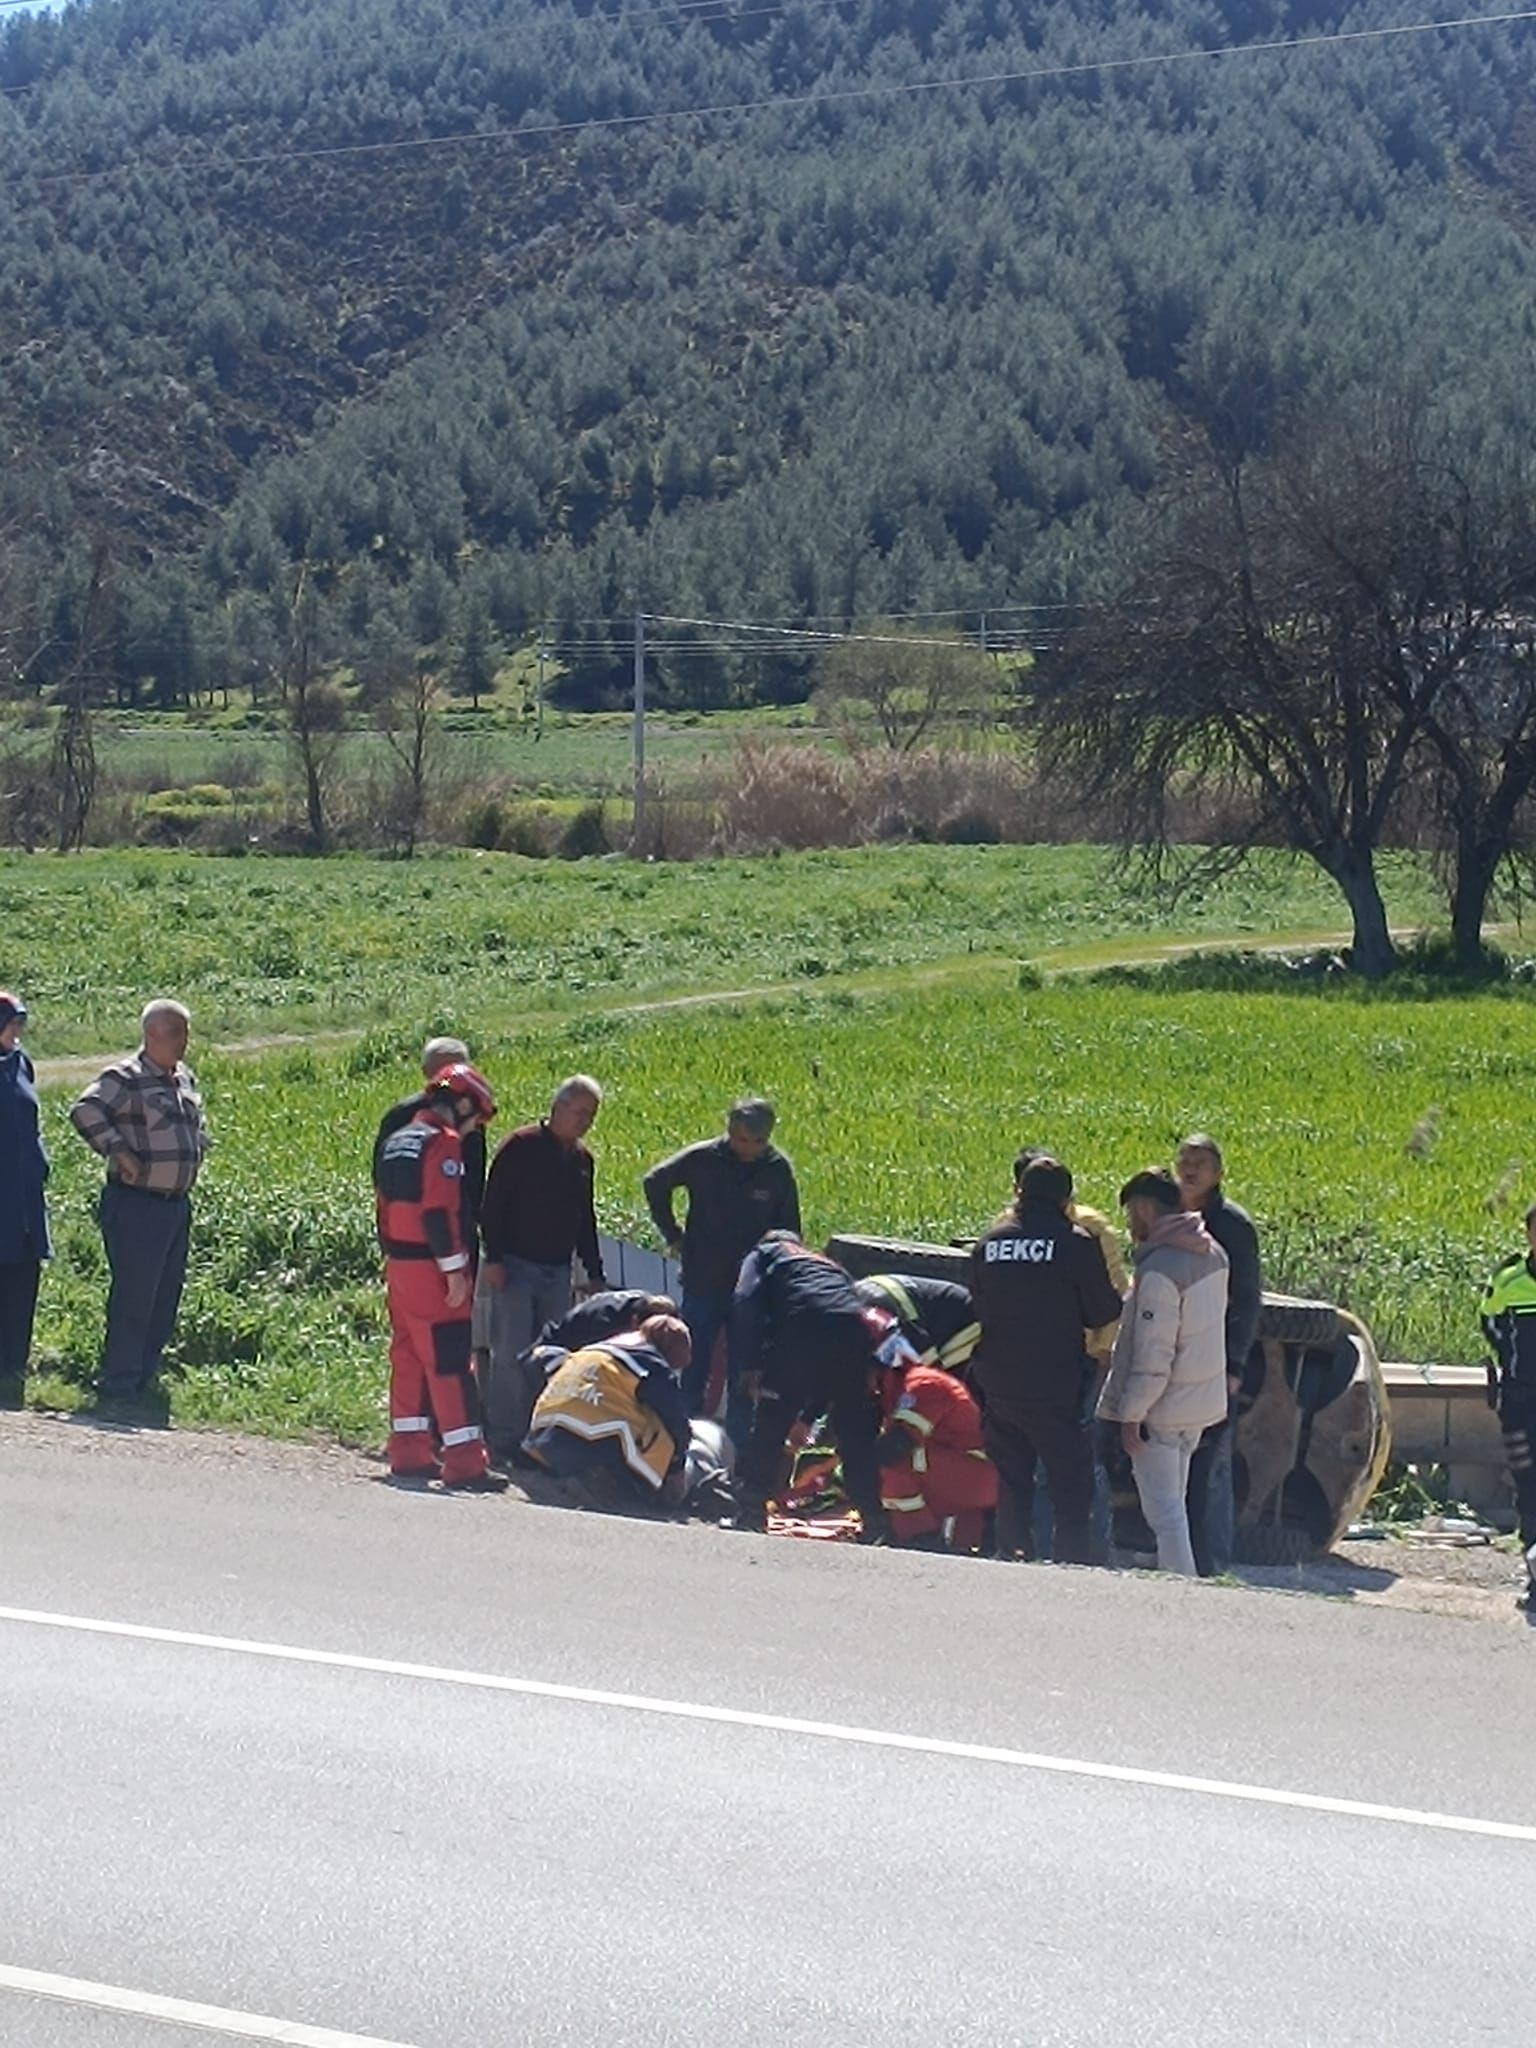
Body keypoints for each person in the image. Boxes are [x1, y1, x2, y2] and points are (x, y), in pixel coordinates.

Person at [968, 1155, 1125, 1564]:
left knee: (1012, 1479)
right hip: (1055, 1385)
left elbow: (979, 1306)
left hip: (999, 1383)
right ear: (1066, 1199)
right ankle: (1068, 1566)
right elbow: (1103, 1311)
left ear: (1020, 1192)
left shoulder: (990, 1243)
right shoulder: (1076, 1242)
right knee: (1070, 1486)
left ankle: (1012, 1554)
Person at [70, 999, 210, 1419]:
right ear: (152, 1035)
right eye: (177, 1034)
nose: (184, 1043)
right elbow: (85, 1109)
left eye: (185, 1034)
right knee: (135, 1296)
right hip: (138, 1205)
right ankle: (119, 1384)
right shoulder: (126, 1077)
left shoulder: (181, 1077)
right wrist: (117, 1151)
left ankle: (143, 1377)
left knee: (165, 1296)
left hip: (174, 1205)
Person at [374, 1062, 503, 1489]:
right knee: (450, 1361)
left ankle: (409, 1451)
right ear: (463, 1104)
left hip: (398, 1265)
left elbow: (385, 1208)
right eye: (476, 1118)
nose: (473, 1129)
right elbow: (438, 1212)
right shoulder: (442, 1144)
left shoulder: (398, 1140)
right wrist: (454, 1272)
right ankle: (465, 1461)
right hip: (431, 1269)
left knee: (408, 1355)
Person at [642, 1097, 800, 1440]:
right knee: (691, 1364)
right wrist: (674, 1236)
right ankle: (679, 1441)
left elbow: (791, 1232)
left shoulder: (777, 1170)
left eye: (758, 1142)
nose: (749, 1149)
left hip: (751, 1289)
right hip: (704, 1280)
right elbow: (655, 1182)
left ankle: (736, 1455)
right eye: (742, 1139)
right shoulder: (703, 1158)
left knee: (744, 1374)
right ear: (729, 1131)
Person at [1097, 1168, 1230, 1576]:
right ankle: (1184, 1580)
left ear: (1143, 1208)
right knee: (1178, 1505)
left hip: (1163, 1409)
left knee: (1165, 1514)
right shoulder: (1213, 1253)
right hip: (1201, 1403)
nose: (1129, 1225)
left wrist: (1131, 1415)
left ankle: (1179, 1593)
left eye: (1130, 1214)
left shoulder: (1159, 1272)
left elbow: (1154, 1356)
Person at [730, 1231, 890, 1540]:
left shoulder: (764, 1254)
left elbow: (744, 1299)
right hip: (853, 1332)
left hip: (801, 1328)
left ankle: (750, 1512)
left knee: (770, 1425)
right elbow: (852, 1303)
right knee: (854, 1432)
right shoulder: (828, 1265)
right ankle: (875, 1521)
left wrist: (750, 1364)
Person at [479, 1075, 611, 1448]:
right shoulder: (520, 1146)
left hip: (557, 1271)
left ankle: (537, 1436)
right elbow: (493, 1206)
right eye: (580, 1111)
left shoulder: (582, 1160)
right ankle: (503, 1437)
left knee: (550, 1357)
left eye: (592, 1114)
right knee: (510, 1353)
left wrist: (594, 1272)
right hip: (517, 1265)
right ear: (558, 1107)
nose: (585, 1120)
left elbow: (585, 1219)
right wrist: (495, 1257)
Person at [1176, 1134, 1264, 1577]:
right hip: (1174, 1353)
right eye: (1184, 1159)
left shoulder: (1231, 1226)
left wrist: (1235, 1364)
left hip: (1216, 1358)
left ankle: (1212, 1558)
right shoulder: (1170, 1215)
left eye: (1201, 1162)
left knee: (1210, 1460)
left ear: (1218, 1173)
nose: (1190, 1168)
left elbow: (1247, 1300)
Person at [487, 1287, 675, 1466]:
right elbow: (591, 1368)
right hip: (548, 1356)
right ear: (635, 1323)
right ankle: (534, 1447)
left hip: (578, 1359)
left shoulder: (656, 1317)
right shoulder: (606, 1322)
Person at [524, 1314, 694, 1512]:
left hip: (543, 1437)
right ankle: (612, 1483)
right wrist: (677, 1465)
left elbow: (535, 1361)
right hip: (592, 1445)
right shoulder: (651, 1364)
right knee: (659, 1428)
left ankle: (562, 1476)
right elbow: (676, 1421)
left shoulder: (592, 1351)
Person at [874, 1346, 997, 1552]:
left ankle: (920, 1536)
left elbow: (896, 1446)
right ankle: (927, 1536)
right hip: (960, 1471)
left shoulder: (923, 1384)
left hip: (978, 1474)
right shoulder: (897, 1387)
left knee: (898, 1464)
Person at [1478, 1205, 1536, 1606]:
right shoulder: (1509, 1278)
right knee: (1529, 1487)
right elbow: (1490, 1322)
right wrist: (1513, 1366)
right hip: (1520, 1400)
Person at [0, 992, 49, 1408]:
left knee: (22, 1275)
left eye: (20, 1023)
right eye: (11, 1022)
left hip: (23, 1195)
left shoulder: (21, 1063)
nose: (17, 1031)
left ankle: (14, 1369)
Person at [854, 1272, 982, 1378]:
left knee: (928, 1386)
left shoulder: (891, 1328)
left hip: (968, 1320)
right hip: (898, 1300)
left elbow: (926, 1375)